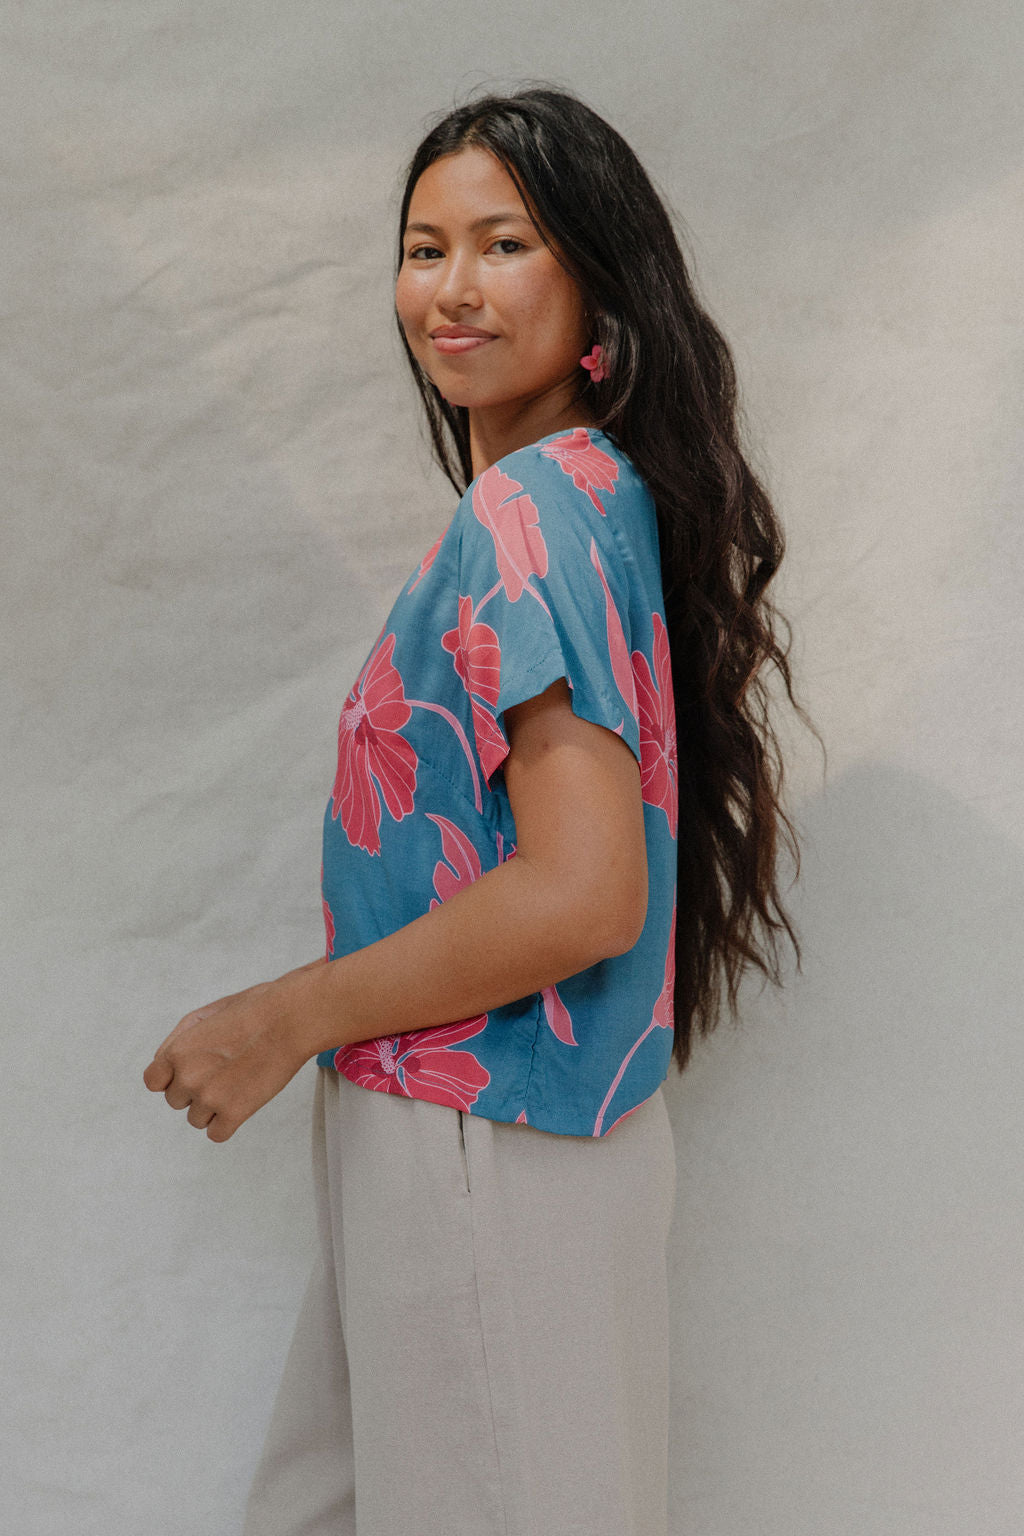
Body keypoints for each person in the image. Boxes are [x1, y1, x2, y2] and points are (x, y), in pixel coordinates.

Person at [144, 84, 814, 1536]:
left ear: (595, 291)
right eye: (423, 246)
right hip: (487, 1135)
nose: (449, 289)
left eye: (501, 244)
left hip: (482, 1139)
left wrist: (283, 1017)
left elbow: (585, 895)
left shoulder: (528, 516)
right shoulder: (599, 494)